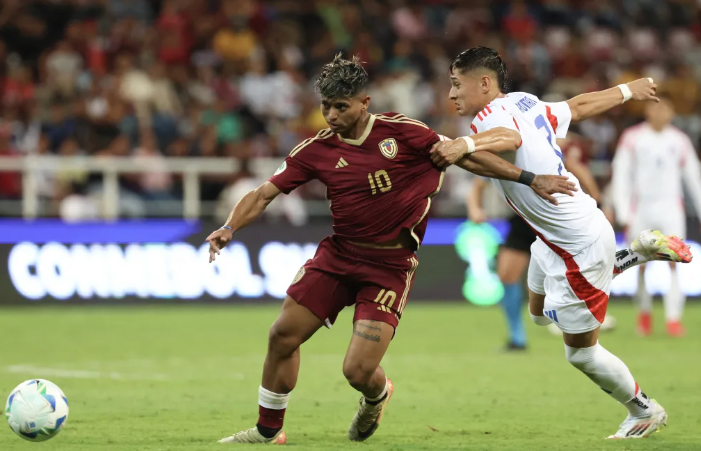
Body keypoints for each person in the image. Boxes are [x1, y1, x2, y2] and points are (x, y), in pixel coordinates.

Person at [205, 54, 576, 445]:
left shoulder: (404, 133)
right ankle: (268, 431)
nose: (331, 115)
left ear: (364, 103)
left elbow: (466, 157)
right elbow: (264, 193)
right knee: (282, 335)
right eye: (325, 107)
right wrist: (230, 226)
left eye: (340, 106)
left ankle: (376, 396)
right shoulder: (315, 150)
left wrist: (531, 178)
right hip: (338, 257)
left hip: (390, 266)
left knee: (357, 371)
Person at [430, 47, 692, 439]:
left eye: (456, 84)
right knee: (537, 314)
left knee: (581, 353)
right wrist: (626, 90)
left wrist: (464, 145)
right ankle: (629, 255)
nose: (451, 95)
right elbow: (577, 106)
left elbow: (506, 137)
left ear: (484, 83)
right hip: (557, 237)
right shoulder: (524, 101)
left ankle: (644, 410)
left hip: (578, 242)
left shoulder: (491, 118)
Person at [466, 133, 603, 350]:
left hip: (554, 217)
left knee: (572, 273)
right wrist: (474, 209)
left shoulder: (542, 148)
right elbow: (477, 185)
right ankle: (517, 337)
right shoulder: (500, 154)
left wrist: (596, 199)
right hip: (522, 220)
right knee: (507, 275)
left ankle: (583, 325)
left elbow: (575, 167)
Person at [611, 95, 701, 337]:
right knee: (640, 263)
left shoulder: (679, 140)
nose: (660, 113)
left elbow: (693, 176)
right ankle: (644, 313)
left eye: (665, 109)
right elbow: (622, 173)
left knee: (675, 261)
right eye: (656, 107)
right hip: (641, 209)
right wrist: (622, 209)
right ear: (647, 110)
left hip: (671, 208)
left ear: (672, 113)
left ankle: (673, 318)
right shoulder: (632, 138)